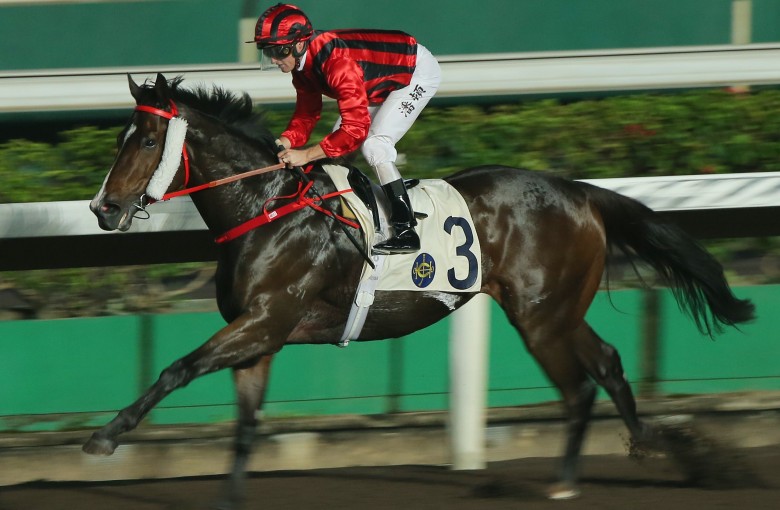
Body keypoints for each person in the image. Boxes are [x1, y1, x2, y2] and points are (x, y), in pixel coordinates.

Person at [249, 3, 441, 255]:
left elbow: (354, 130)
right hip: (375, 75)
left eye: (277, 51)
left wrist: (305, 155)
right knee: (337, 152)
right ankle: (372, 208)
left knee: (374, 145)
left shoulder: (337, 62)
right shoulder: (301, 66)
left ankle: (406, 230)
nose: (273, 59)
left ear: (298, 45)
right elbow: (307, 113)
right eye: (268, 51)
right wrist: (286, 141)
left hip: (413, 72)